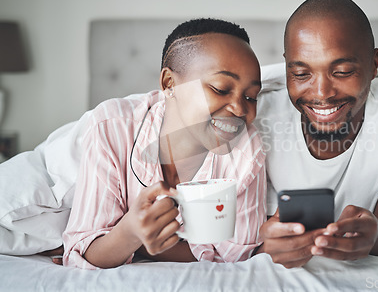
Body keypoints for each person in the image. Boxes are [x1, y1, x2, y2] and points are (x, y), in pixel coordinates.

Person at [62, 18, 267, 269]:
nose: (239, 108)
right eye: (221, 88)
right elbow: (81, 253)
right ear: (170, 84)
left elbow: (236, 256)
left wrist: (140, 247)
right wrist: (130, 233)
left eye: (251, 97)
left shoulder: (246, 148)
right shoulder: (112, 127)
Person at [255, 0, 378, 268]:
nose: (322, 93)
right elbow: (239, 242)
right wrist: (263, 248)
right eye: (302, 74)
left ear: (373, 65)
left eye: (342, 71)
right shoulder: (259, 116)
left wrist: (376, 238)